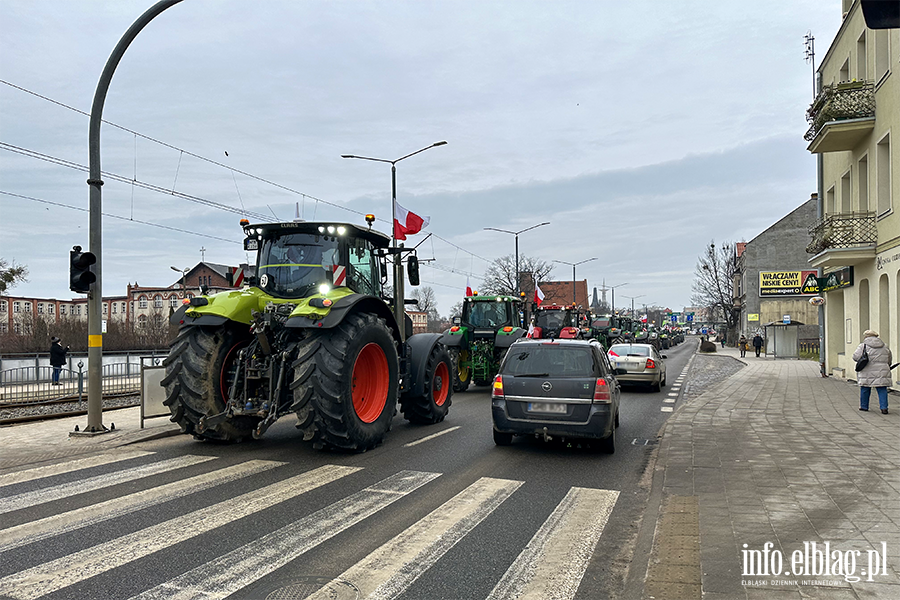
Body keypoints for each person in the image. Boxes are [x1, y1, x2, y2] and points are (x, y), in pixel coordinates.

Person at [853, 330, 893, 414]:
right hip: (882, 370)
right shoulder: (884, 346)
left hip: (866, 370)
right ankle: (884, 408)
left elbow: (855, 357)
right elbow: (889, 359)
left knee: (865, 388)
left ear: (866, 336)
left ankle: (864, 406)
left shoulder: (863, 346)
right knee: (882, 388)